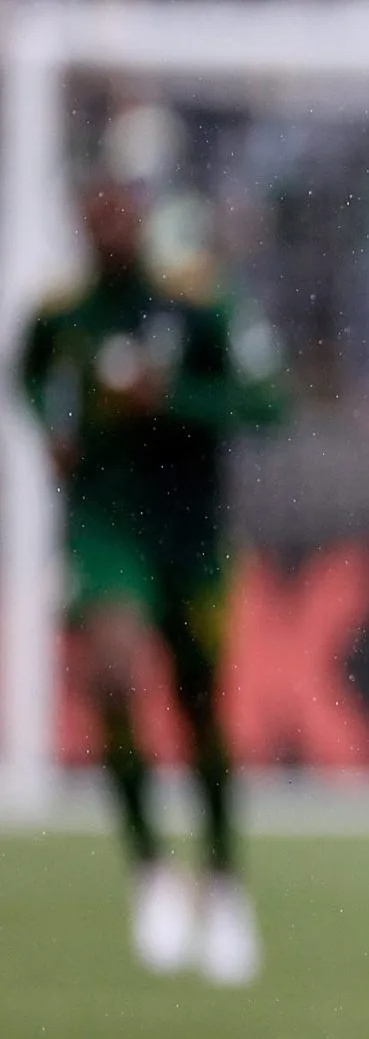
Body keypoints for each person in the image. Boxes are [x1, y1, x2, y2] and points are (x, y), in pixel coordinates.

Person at [17, 180, 287, 984]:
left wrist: (173, 400)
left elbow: (269, 403)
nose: (107, 231)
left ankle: (224, 880)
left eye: (120, 216)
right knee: (110, 672)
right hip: (106, 529)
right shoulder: (60, 315)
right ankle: (149, 872)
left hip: (192, 538)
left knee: (200, 711)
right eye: (93, 216)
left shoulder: (200, 306)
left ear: (143, 226)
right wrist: (55, 430)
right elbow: (26, 376)